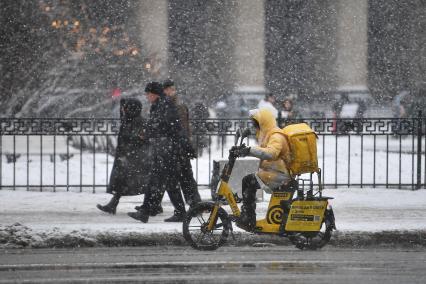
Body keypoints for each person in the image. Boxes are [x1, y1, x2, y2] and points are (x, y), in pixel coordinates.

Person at [127, 82, 195, 223]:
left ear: (154, 94)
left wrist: (147, 133)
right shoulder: (160, 104)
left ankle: (149, 211)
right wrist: (147, 132)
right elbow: (158, 124)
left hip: (168, 149)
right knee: (167, 181)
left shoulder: (164, 105)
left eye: (147, 94)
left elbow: (164, 125)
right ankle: (155, 211)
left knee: (162, 181)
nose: (146, 97)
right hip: (166, 148)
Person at [230, 108, 292, 231]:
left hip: (280, 176)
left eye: (256, 124)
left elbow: (271, 153)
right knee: (249, 181)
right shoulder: (269, 134)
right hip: (273, 174)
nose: (254, 126)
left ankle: (248, 218)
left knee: (248, 181)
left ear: (263, 123)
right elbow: (262, 145)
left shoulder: (276, 136)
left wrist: (249, 150)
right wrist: (246, 138)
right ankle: (248, 215)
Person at [97, 98, 157, 215]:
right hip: (127, 156)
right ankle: (113, 205)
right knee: (123, 182)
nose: (124, 111)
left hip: (135, 158)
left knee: (142, 182)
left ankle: (153, 206)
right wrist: (121, 105)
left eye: (126, 108)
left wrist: (130, 144)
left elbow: (139, 139)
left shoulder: (138, 122)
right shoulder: (128, 120)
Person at [161, 79, 201, 221]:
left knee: (181, 178)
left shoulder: (176, 106)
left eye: (170, 89)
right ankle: (195, 205)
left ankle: (189, 208)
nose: (168, 92)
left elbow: (182, 128)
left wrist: (182, 146)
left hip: (179, 147)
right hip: (179, 147)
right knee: (185, 177)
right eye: (167, 89)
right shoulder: (172, 105)